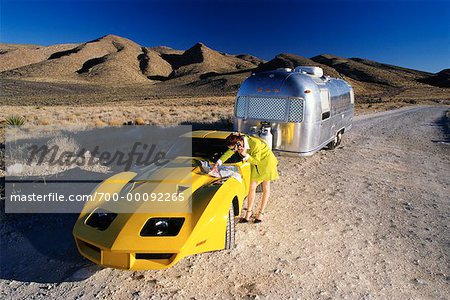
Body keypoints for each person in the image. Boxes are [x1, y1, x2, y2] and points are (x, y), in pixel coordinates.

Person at [213, 132, 279, 223]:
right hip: (255, 163)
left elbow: (256, 160)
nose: (234, 150)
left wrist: (245, 155)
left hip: (266, 163)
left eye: (234, 148)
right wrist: (217, 163)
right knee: (251, 188)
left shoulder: (255, 143)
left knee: (265, 187)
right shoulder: (238, 142)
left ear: (239, 142)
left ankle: (261, 213)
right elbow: (228, 153)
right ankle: (248, 212)